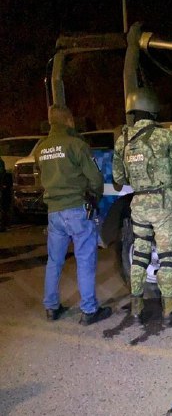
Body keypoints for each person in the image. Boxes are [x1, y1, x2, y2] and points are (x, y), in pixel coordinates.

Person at [112, 87, 172, 325]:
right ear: (152, 108)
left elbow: (118, 178)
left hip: (138, 204)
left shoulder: (123, 140)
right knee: (167, 257)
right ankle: (169, 311)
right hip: (163, 204)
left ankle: (136, 307)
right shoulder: (163, 136)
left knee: (139, 255)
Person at [37, 105, 109, 325]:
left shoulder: (41, 148)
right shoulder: (76, 145)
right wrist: (94, 196)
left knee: (54, 261)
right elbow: (95, 178)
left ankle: (51, 308)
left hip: (54, 212)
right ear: (68, 120)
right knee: (85, 259)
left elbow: (41, 178)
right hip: (77, 209)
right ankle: (89, 310)